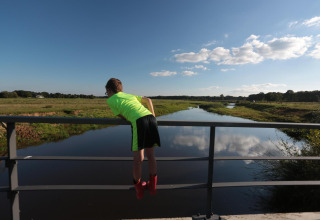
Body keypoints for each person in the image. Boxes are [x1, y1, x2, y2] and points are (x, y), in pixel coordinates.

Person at [105, 78, 161, 199]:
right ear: (120, 89)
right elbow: (148, 100)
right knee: (151, 155)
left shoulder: (110, 100)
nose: (107, 95)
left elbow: (122, 116)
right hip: (151, 119)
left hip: (139, 122)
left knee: (138, 159)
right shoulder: (129, 95)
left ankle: (139, 190)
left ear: (109, 90)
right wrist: (153, 115)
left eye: (106, 92)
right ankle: (152, 187)